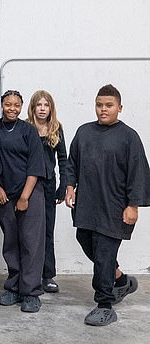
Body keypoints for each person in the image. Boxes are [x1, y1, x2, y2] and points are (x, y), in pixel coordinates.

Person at [65, 84, 150, 326]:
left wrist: (133, 206)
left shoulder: (129, 137)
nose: (103, 109)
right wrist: (70, 186)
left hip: (114, 208)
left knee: (104, 253)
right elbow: (72, 163)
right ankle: (121, 280)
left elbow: (138, 172)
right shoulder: (84, 132)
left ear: (119, 108)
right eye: (99, 105)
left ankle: (105, 304)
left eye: (109, 105)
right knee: (86, 241)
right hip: (87, 204)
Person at [0, 90, 46, 313]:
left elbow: (35, 165)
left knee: (31, 243)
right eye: (8, 104)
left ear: (22, 106)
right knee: (11, 241)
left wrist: (25, 196)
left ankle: (31, 291)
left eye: (16, 105)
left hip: (30, 194)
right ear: (2, 106)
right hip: (3, 194)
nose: (12, 108)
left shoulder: (28, 131)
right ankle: (13, 286)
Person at [27, 90, 68, 293]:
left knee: (47, 231)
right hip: (29, 185)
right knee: (30, 232)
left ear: (51, 108)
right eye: (39, 105)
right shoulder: (25, 128)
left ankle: (47, 275)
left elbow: (63, 159)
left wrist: (64, 185)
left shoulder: (56, 128)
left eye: (46, 105)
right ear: (33, 107)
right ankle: (28, 273)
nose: (42, 109)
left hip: (49, 185)